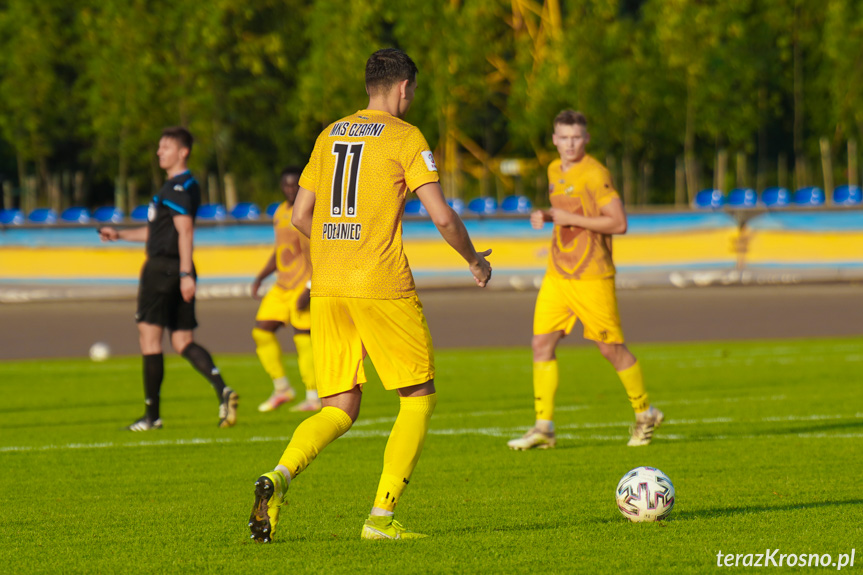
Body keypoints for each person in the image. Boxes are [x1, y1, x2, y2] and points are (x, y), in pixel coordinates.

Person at [247, 48, 492, 543]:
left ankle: (279, 476)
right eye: (414, 91)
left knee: (338, 406)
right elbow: (442, 216)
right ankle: (380, 519)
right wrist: (474, 259)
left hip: (329, 288)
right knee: (417, 397)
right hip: (381, 284)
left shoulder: (330, 133)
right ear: (404, 87)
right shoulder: (406, 137)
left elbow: (299, 217)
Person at [507, 110, 663, 451]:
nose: (569, 144)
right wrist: (546, 216)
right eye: (563, 137)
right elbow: (564, 215)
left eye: (576, 137)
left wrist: (568, 217)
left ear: (586, 139)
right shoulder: (552, 169)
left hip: (592, 276)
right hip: (558, 274)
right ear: (554, 139)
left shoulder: (595, 174)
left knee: (610, 349)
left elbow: (618, 223)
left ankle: (644, 412)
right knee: (541, 345)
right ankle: (543, 427)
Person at [99, 126, 238, 431]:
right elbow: (161, 232)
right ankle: (222, 390)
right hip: (175, 268)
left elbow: (185, 231)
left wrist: (186, 273)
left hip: (163, 270)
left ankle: (152, 417)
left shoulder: (177, 187)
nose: (159, 152)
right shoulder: (183, 186)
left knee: (149, 339)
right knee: (182, 340)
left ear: (183, 152)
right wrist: (120, 234)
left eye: (165, 147)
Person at [251, 167, 320, 413]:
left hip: (303, 285)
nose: (291, 190)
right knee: (261, 332)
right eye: (286, 185)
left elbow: (320, 250)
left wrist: (311, 287)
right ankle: (282, 388)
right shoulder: (280, 212)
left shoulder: (310, 211)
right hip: (282, 286)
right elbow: (280, 249)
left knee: (303, 340)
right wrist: (261, 276)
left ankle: (313, 397)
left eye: (295, 185)